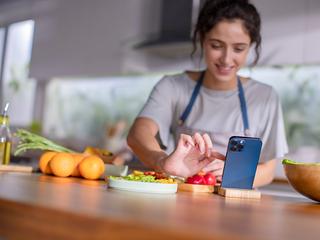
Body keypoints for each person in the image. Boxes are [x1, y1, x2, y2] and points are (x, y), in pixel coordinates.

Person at [127, 0, 288, 187]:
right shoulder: (172, 87)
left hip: (236, 207)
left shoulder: (265, 97)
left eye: (238, 48)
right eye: (216, 45)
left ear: (251, 45)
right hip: (184, 198)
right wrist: (162, 162)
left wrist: (233, 175)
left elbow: (268, 171)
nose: (226, 59)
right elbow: (138, 134)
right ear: (202, 39)